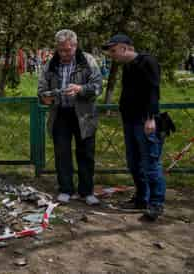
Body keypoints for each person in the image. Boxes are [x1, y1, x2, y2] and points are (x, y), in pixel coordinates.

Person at [102, 34, 166, 221]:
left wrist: (151, 118)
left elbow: (153, 91)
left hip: (145, 121)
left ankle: (156, 203)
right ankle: (141, 198)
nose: (112, 55)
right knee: (134, 163)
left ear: (125, 48)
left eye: (113, 50)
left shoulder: (148, 62)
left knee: (150, 164)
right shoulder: (128, 66)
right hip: (129, 121)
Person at [38, 29, 102, 205]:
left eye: (67, 50)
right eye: (60, 50)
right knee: (62, 153)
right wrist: (45, 96)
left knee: (86, 153)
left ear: (75, 45)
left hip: (84, 114)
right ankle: (65, 189)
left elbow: (98, 87)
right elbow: (41, 90)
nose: (64, 54)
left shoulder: (88, 61)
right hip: (60, 113)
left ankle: (86, 191)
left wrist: (81, 89)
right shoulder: (50, 64)